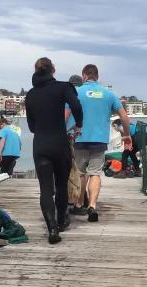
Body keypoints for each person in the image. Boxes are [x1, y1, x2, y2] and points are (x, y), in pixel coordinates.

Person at [25, 57, 83, 244]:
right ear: (53, 70)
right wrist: (79, 124)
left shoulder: (31, 95)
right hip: (59, 143)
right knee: (60, 184)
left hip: (40, 145)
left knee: (45, 188)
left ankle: (52, 229)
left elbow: (32, 126)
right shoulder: (63, 88)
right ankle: (62, 219)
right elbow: (76, 105)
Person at [68, 64, 131, 222]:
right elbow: (124, 117)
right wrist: (127, 135)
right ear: (97, 76)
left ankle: (80, 204)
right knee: (95, 173)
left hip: (80, 138)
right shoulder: (109, 94)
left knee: (81, 173)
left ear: (84, 76)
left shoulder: (76, 92)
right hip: (100, 140)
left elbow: (66, 114)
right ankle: (93, 206)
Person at [65, 75, 83, 208]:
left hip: (70, 137)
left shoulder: (69, 95)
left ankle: (71, 200)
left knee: (70, 170)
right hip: (84, 136)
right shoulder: (84, 95)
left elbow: (65, 116)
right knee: (83, 171)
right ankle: (82, 200)